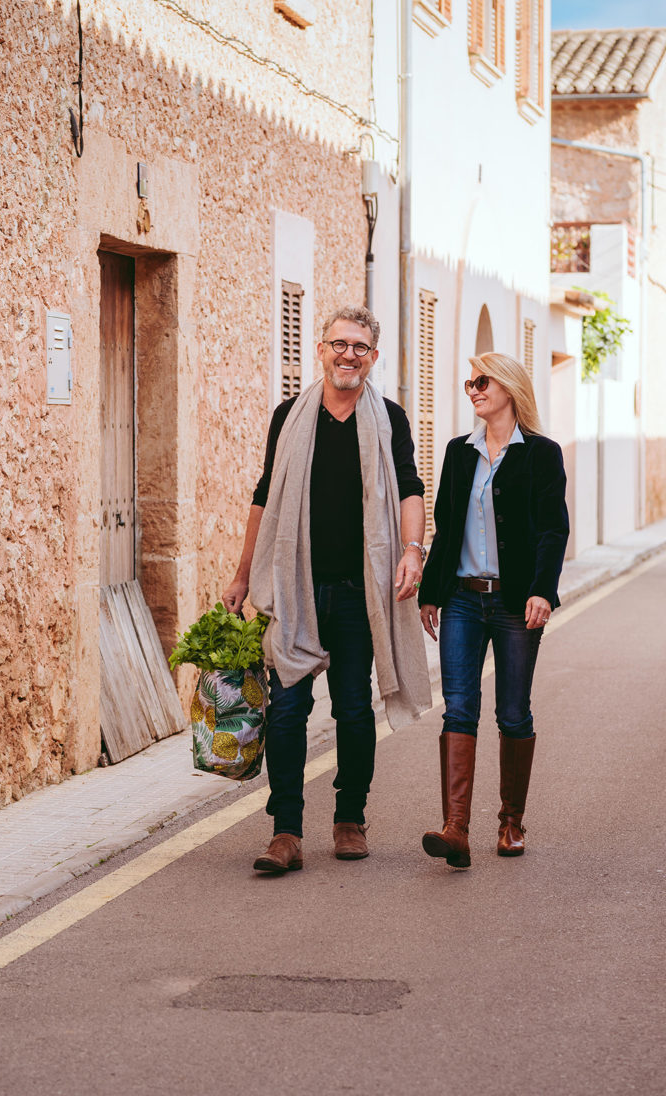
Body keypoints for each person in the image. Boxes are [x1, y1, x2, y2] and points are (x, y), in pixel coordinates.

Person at [223, 305, 431, 875]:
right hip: (296, 587)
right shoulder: (290, 416)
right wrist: (244, 573)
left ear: (373, 357)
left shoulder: (389, 419)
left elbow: (410, 487)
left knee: (353, 711)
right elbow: (264, 494)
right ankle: (285, 830)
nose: (348, 356)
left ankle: (349, 819)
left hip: (360, 590)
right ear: (322, 349)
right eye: (339, 344)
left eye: (360, 347)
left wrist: (413, 550)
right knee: (287, 709)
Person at [418, 352, 569, 869]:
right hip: (462, 597)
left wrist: (542, 591)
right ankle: (455, 828)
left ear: (510, 387)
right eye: (470, 382)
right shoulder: (460, 453)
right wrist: (431, 592)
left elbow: (553, 530)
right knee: (458, 706)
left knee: (512, 712)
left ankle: (510, 822)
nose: (474, 389)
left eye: (483, 381)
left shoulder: (542, 454)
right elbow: (445, 525)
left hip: (514, 601)